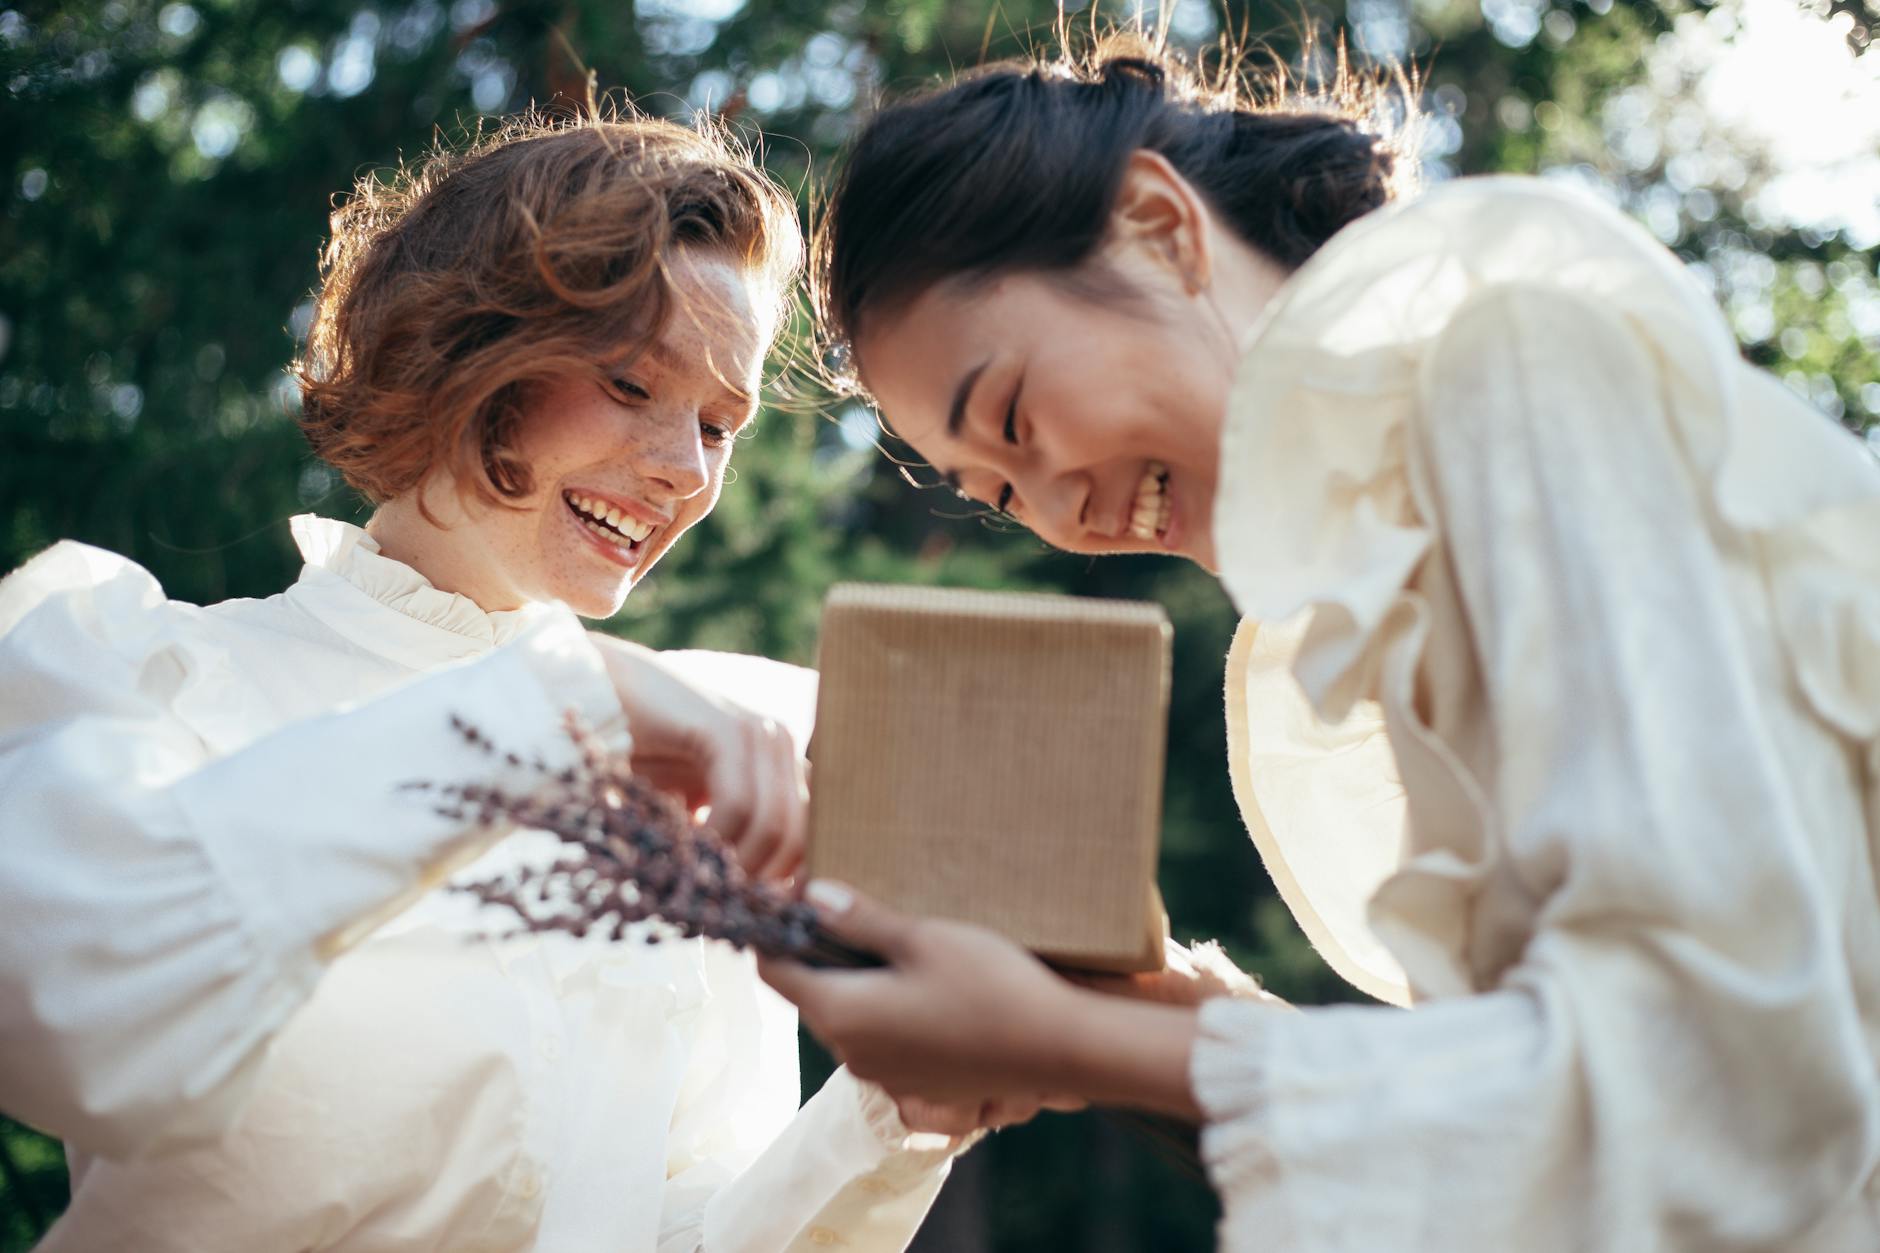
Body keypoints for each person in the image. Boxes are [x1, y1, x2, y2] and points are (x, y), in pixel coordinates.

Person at [761, 35, 1880, 1250]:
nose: (1061, 507)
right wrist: (1133, 1001)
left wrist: (1061, 1037)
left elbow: (1729, 1092)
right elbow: (1559, 1104)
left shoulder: (1512, 375)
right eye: (998, 495)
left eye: (1017, 415)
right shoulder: (1398, 554)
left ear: (1154, 221)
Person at [0, 110, 981, 1251]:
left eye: (721, 424)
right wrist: (547, 713)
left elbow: (680, 1224)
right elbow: (61, 1008)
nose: (682, 471)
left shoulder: (709, 769)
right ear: (466, 344)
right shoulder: (149, 675)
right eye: (628, 380)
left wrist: (894, 1116)